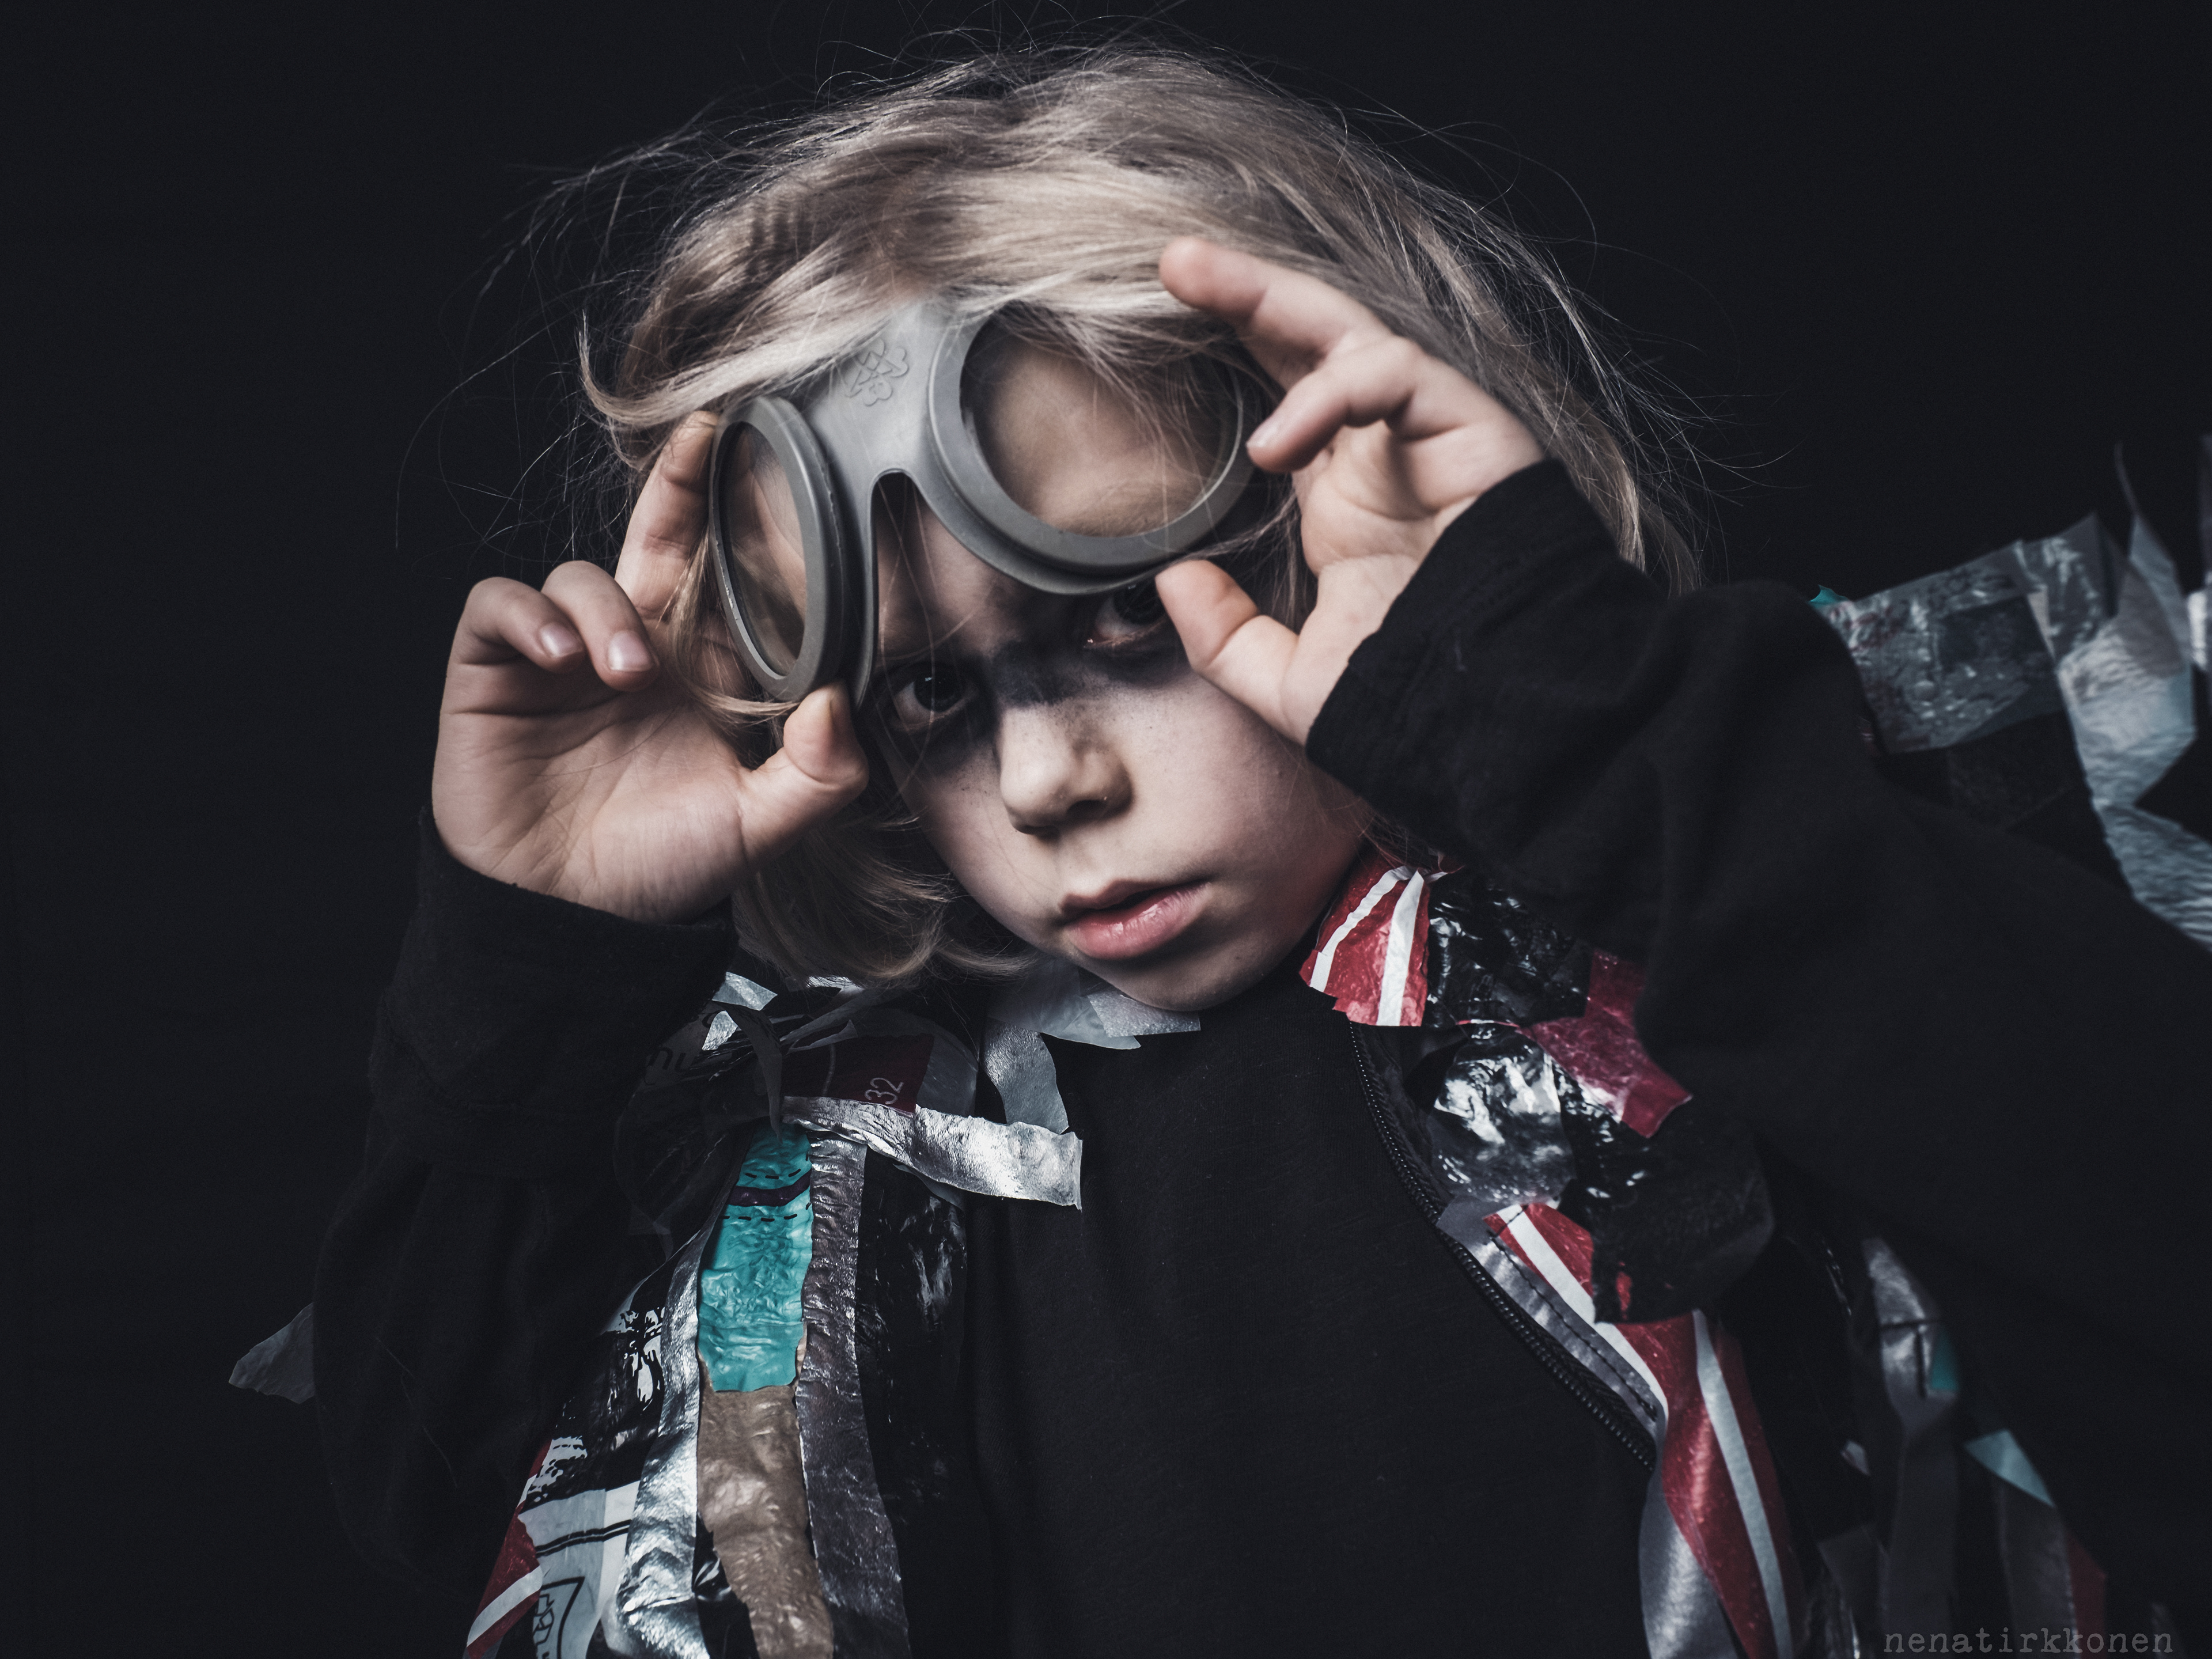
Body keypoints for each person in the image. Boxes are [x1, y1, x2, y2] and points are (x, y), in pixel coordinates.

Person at [306, 46, 2211, 1659]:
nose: (1048, 780)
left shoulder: (1742, 895)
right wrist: (534, 971)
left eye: (1128, 619)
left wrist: (1589, 731)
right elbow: (443, 1499)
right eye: (933, 697)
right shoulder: (850, 1159)